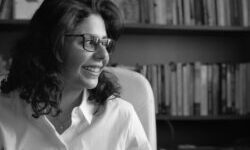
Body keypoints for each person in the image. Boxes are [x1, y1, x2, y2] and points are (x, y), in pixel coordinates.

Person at [0, 0, 152, 149]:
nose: (104, 56)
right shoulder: (3, 114)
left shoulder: (121, 116)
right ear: (53, 44)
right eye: (90, 42)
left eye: (105, 44)